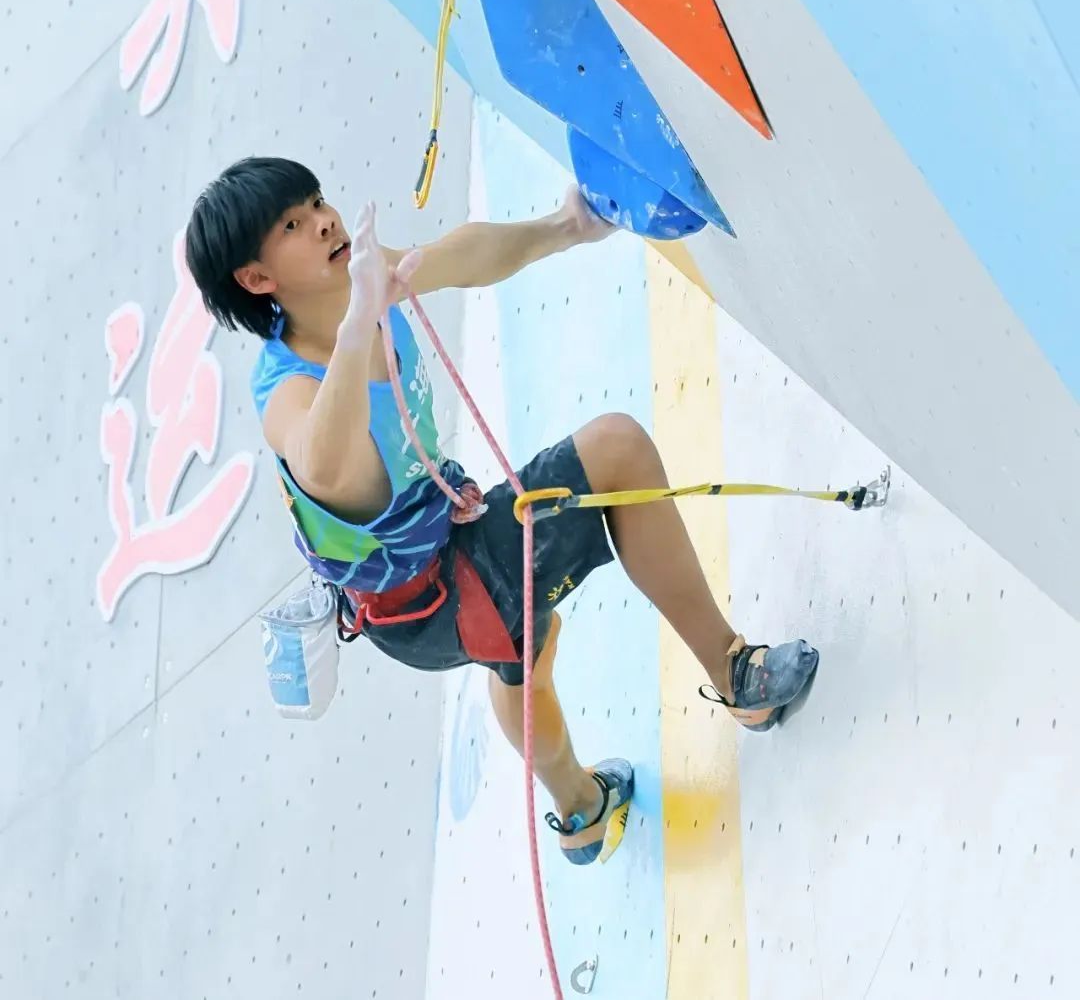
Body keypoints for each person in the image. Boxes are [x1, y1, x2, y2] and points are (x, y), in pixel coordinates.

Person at [185, 157, 818, 867]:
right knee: (617, 451)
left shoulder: (356, 283)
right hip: (435, 600)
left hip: (433, 571)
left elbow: (462, 256)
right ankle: (738, 677)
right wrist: (362, 320)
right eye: (292, 226)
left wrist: (566, 227)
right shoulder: (290, 389)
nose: (324, 222)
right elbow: (323, 461)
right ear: (257, 279)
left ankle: (581, 812)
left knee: (529, 647)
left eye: (316, 202)